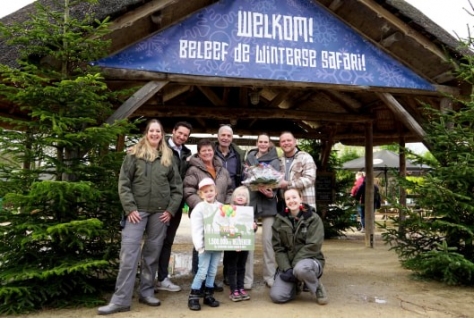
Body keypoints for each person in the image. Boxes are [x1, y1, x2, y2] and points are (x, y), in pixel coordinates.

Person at [97, 119, 183, 315]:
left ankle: (146, 292)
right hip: (136, 213)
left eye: (158, 131)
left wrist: (170, 210)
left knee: (152, 255)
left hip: (159, 214)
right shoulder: (133, 155)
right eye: (151, 131)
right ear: (146, 133)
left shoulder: (168, 158)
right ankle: (120, 300)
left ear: (162, 134)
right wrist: (130, 209)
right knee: (129, 255)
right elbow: (124, 183)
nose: (154, 134)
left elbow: (177, 188)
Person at [277, 131, 328, 303]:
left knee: (307, 242)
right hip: (288, 209)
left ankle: (311, 279)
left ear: (295, 141)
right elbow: (277, 182)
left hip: (305, 205)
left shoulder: (305, 157)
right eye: (282, 141)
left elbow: (310, 178)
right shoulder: (280, 161)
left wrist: (288, 184)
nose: (286, 143)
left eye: (288, 140)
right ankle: (297, 277)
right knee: (289, 240)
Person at [183, 138, 233, 290]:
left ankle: (210, 282)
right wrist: (203, 207)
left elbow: (229, 190)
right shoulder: (193, 170)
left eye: (209, 150)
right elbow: (188, 191)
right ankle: (199, 279)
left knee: (216, 246)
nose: (207, 152)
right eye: (203, 150)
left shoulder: (222, 170)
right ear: (199, 152)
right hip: (203, 213)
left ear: (214, 151)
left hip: (220, 214)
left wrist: (226, 207)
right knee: (201, 244)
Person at [269, 188, 327, 305]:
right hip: (289, 265)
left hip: (310, 261)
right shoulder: (279, 221)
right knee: (277, 296)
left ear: (301, 198)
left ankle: (317, 287)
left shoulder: (313, 218)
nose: (291, 201)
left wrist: (294, 264)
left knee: (301, 269)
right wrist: (287, 268)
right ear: (284, 201)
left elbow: (314, 245)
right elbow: (278, 248)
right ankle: (296, 285)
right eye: (288, 198)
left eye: (294, 197)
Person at [155, 121, 192, 292]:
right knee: (154, 241)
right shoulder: (160, 148)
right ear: (173, 131)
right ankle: (148, 278)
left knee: (168, 241)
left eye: (185, 135)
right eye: (180, 133)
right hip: (159, 202)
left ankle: (162, 278)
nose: (182, 137)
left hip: (176, 204)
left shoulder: (186, 153)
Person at [243, 133, 280, 289]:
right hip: (250, 203)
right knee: (247, 243)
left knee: (268, 243)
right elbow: (244, 177)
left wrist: (272, 192)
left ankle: (270, 276)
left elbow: (277, 181)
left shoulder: (276, 160)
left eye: (266, 141)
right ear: (257, 142)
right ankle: (247, 279)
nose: (263, 144)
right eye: (260, 141)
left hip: (268, 203)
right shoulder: (249, 158)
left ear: (269, 143)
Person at [213, 125, 245, 287]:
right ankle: (204, 276)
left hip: (231, 202)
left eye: (228, 136)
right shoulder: (209, 152)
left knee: (229, 238)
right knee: (208, 237)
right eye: (222, 135)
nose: (225, 138)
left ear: (232, 138)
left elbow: (242, 177)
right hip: (211, 201)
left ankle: (227, 274)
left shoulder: (238, 155)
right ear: (218, 137)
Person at [188, 178, 223, 311]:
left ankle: (209, 295)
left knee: (213, 270)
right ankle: (194, 295)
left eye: (211, 190)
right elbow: (196, 229)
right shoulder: (199, 208)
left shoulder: (221, 207)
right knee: (202, 271)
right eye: (205, 191)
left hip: (217, 245)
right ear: (201, 194)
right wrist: (199, 246)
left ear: (216, 191)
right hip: (204, 246)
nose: (209, 193)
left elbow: (226, 224)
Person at [225, 186, 257, 302]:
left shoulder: (248, 212)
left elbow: (253, 227)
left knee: (242, 267)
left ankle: (241, 287)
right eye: (238, 195)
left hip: (244, 244)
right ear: (233, 197)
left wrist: (254, 226)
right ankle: (233, 290)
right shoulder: (228, 209)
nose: (240, 197)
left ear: (247, 199)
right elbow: (223, 225)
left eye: (243, 195)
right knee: (232, 267)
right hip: (231, 244)